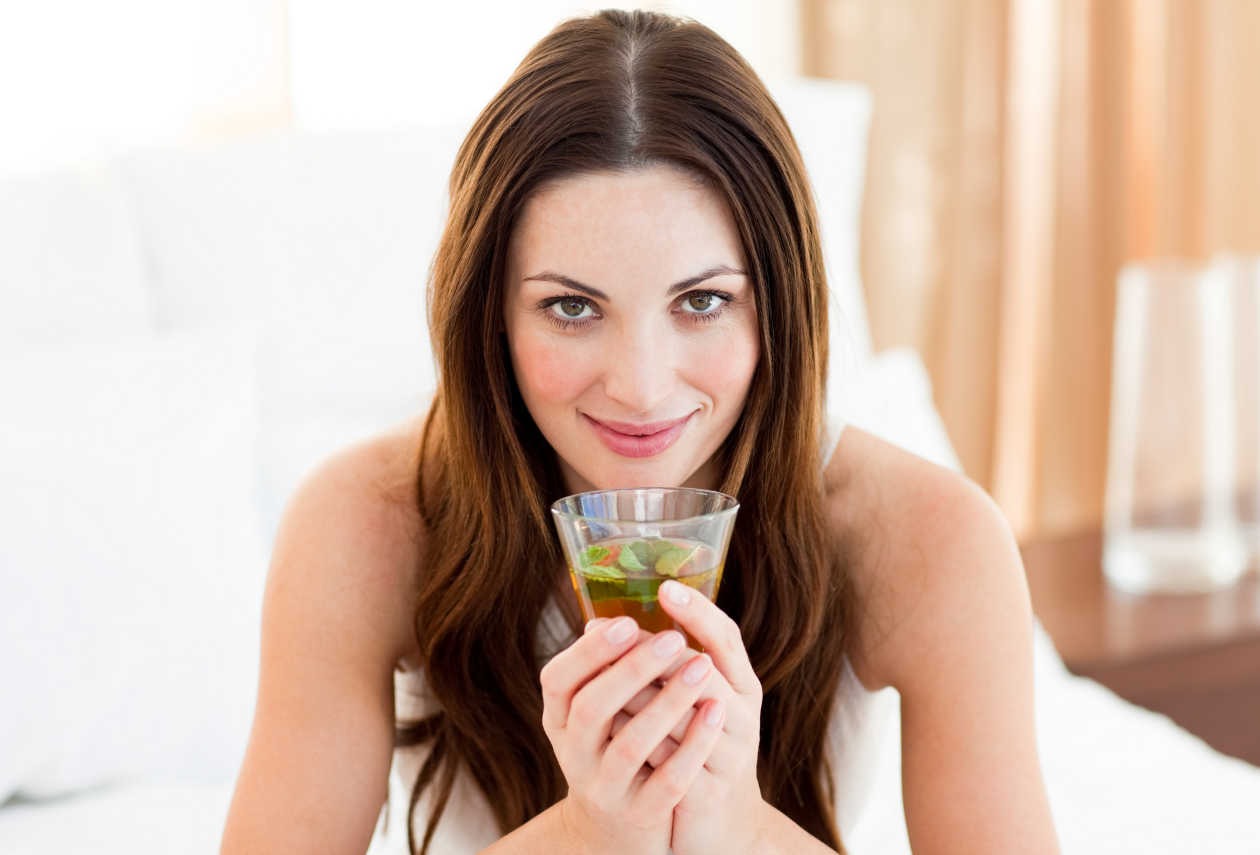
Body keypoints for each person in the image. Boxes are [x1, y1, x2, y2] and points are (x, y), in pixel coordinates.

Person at [220, 9, 1059, 855]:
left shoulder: (933, 540)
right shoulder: (361, 526)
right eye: (571, 307)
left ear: (778, 305)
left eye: (702, 300)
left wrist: (740, 829)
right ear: (492, 316)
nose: (642, 387)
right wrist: (585, 833)